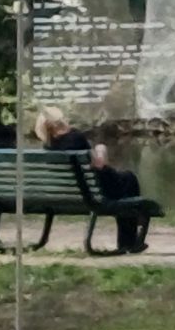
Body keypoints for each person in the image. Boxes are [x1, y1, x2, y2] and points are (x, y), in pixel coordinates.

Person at [34, 106, 148, 253]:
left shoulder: (48, 147)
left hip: (71, 195)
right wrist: (101, 150)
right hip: (95, 193)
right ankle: (129, 239)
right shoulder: (75, 137)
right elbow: (99, 165)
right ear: (60, 122)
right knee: (129, 180)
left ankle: (131, 231)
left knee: (126, 182)